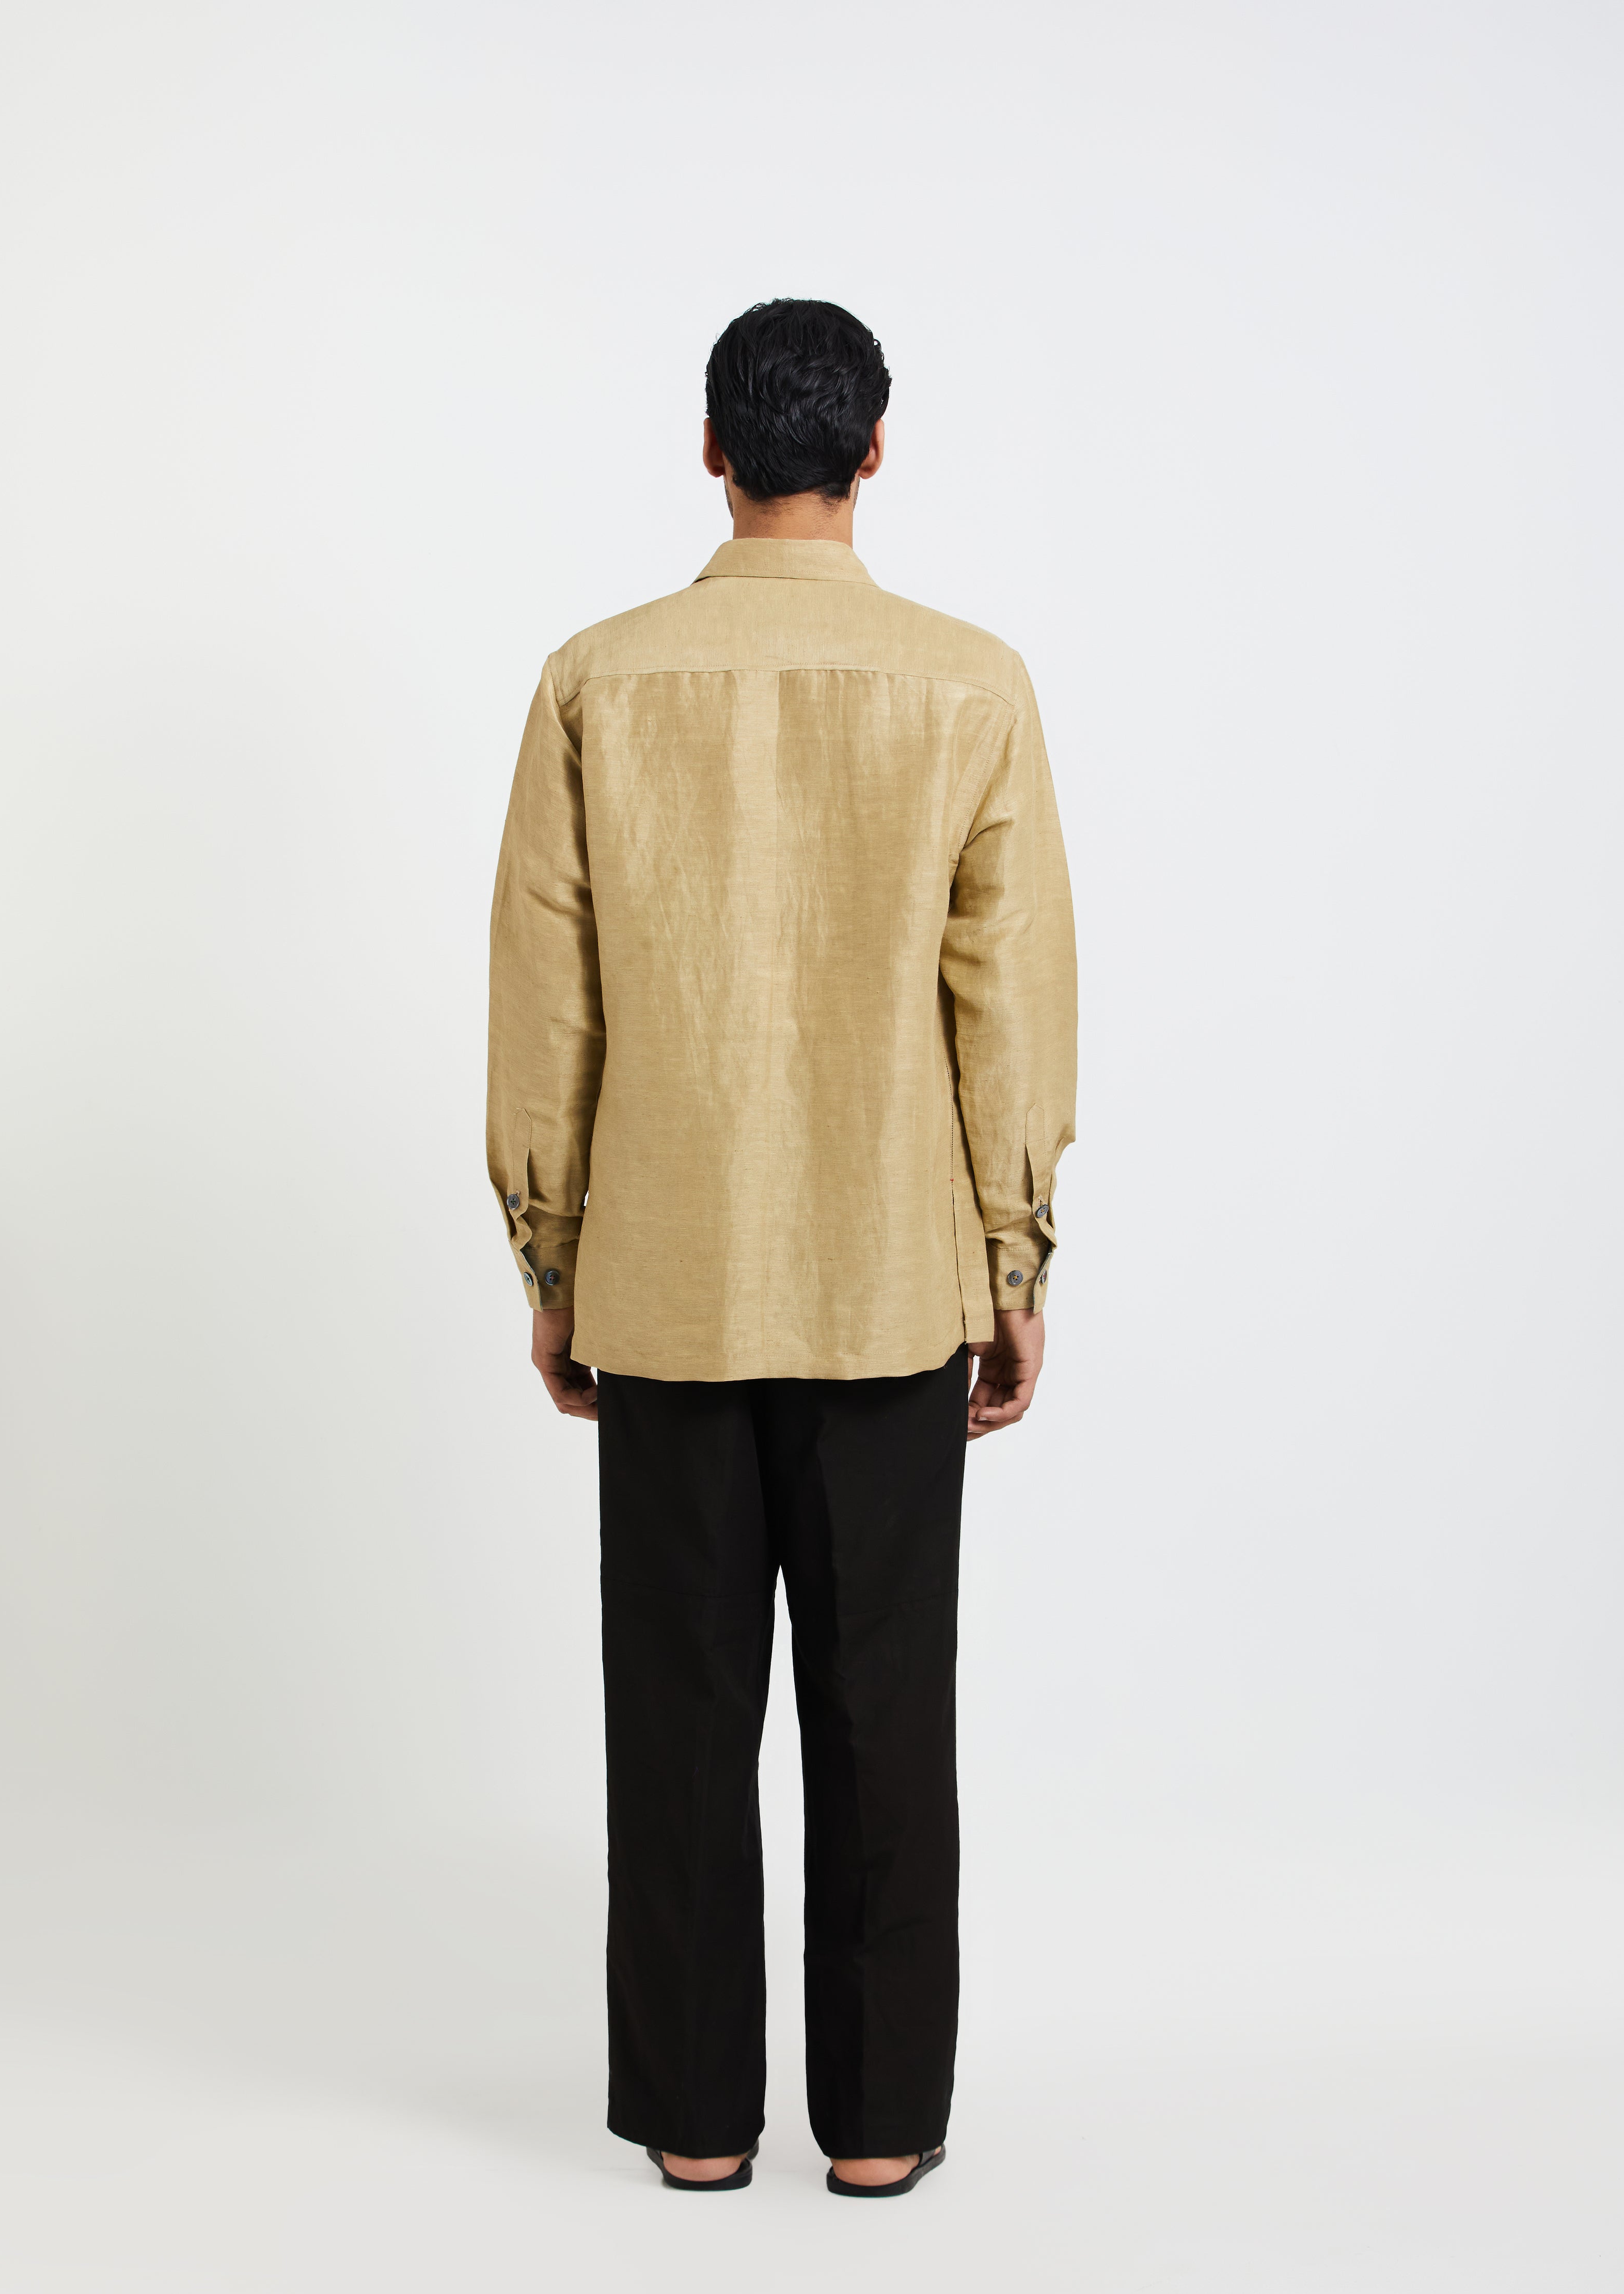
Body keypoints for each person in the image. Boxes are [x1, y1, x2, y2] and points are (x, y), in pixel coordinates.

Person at [485, 297, 1076, 2198]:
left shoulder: (595, 680)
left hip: (665, 1282)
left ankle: (694, 2119)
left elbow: (549, 998)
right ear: (874, 451)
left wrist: (552, 1258)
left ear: (711, 448)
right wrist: (1012, 1260)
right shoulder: (971, 685)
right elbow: (1007, 1004)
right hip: (892, 1283)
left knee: (676, 1719)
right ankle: (882, 2126)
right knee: (886, 1719)